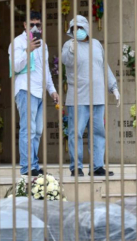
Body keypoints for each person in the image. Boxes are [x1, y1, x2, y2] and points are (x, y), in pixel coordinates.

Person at [61, 15, 120, 177]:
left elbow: (103, 66)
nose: (77, 31)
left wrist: (113, 87)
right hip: (78, 97)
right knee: (76, 133)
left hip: (98, 97)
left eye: (80, 28)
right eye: (74, 28)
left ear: (86, 28)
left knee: (98, 132)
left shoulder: (96, 45)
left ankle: (97, 166)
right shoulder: (68, 45)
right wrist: (71, 52)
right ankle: (76, 167)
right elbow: (64, 61)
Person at [8, 11, 60, 176]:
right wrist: (28, 50)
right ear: (25, 25)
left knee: (37, 131)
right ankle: (26, 167)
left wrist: (52, 90)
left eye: (38, 24)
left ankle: (34, 165)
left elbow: (45, 70)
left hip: (39, 92)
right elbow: (15, 66)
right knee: (28, 129)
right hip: (25, 90)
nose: (35, 27)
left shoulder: (43, 45)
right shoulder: (17, 42)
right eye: (31, 24)